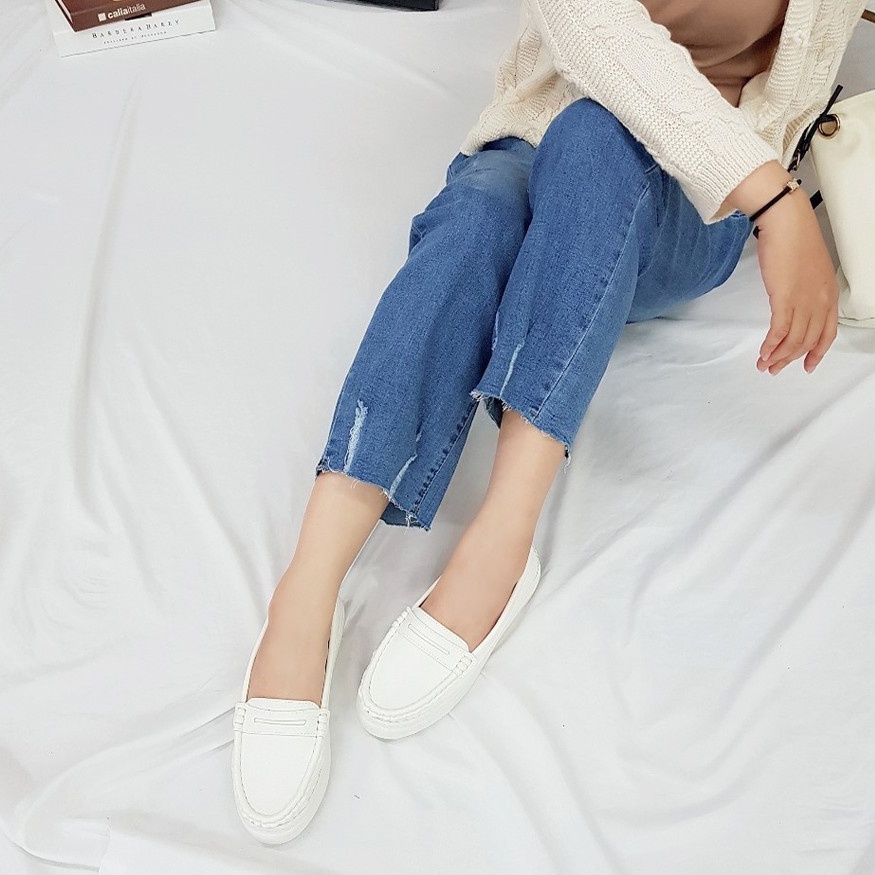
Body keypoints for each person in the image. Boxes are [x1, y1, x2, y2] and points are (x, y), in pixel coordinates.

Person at [230, 0, 868, 844]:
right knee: (479, 218)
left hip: (695, 205)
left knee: (597, 140)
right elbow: (592, 27)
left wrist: (760, 183)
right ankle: (308, 586)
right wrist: (778, 201)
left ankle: (501, 536)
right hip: (562, 140)